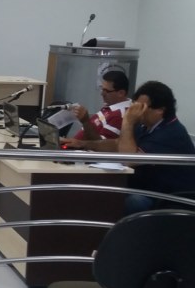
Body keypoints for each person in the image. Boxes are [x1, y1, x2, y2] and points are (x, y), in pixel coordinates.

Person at [63, 80, 195, 215]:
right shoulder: (146, 125)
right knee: (100, 189)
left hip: (168, 197)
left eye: (141, 107)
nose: (136, 112)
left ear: (160, 110)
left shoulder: (171, 132)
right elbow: (118, 144)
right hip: (146, 187)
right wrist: (83, 144)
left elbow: (129, 159)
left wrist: (127, 121)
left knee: (132, 201)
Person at [70, 70, 132, 140]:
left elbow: (100, 144)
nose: (102, 94)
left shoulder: (120, 115)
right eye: (102, 89)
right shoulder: (111, 107)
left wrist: (85, 121)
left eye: (106, 91)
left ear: (121, 93)